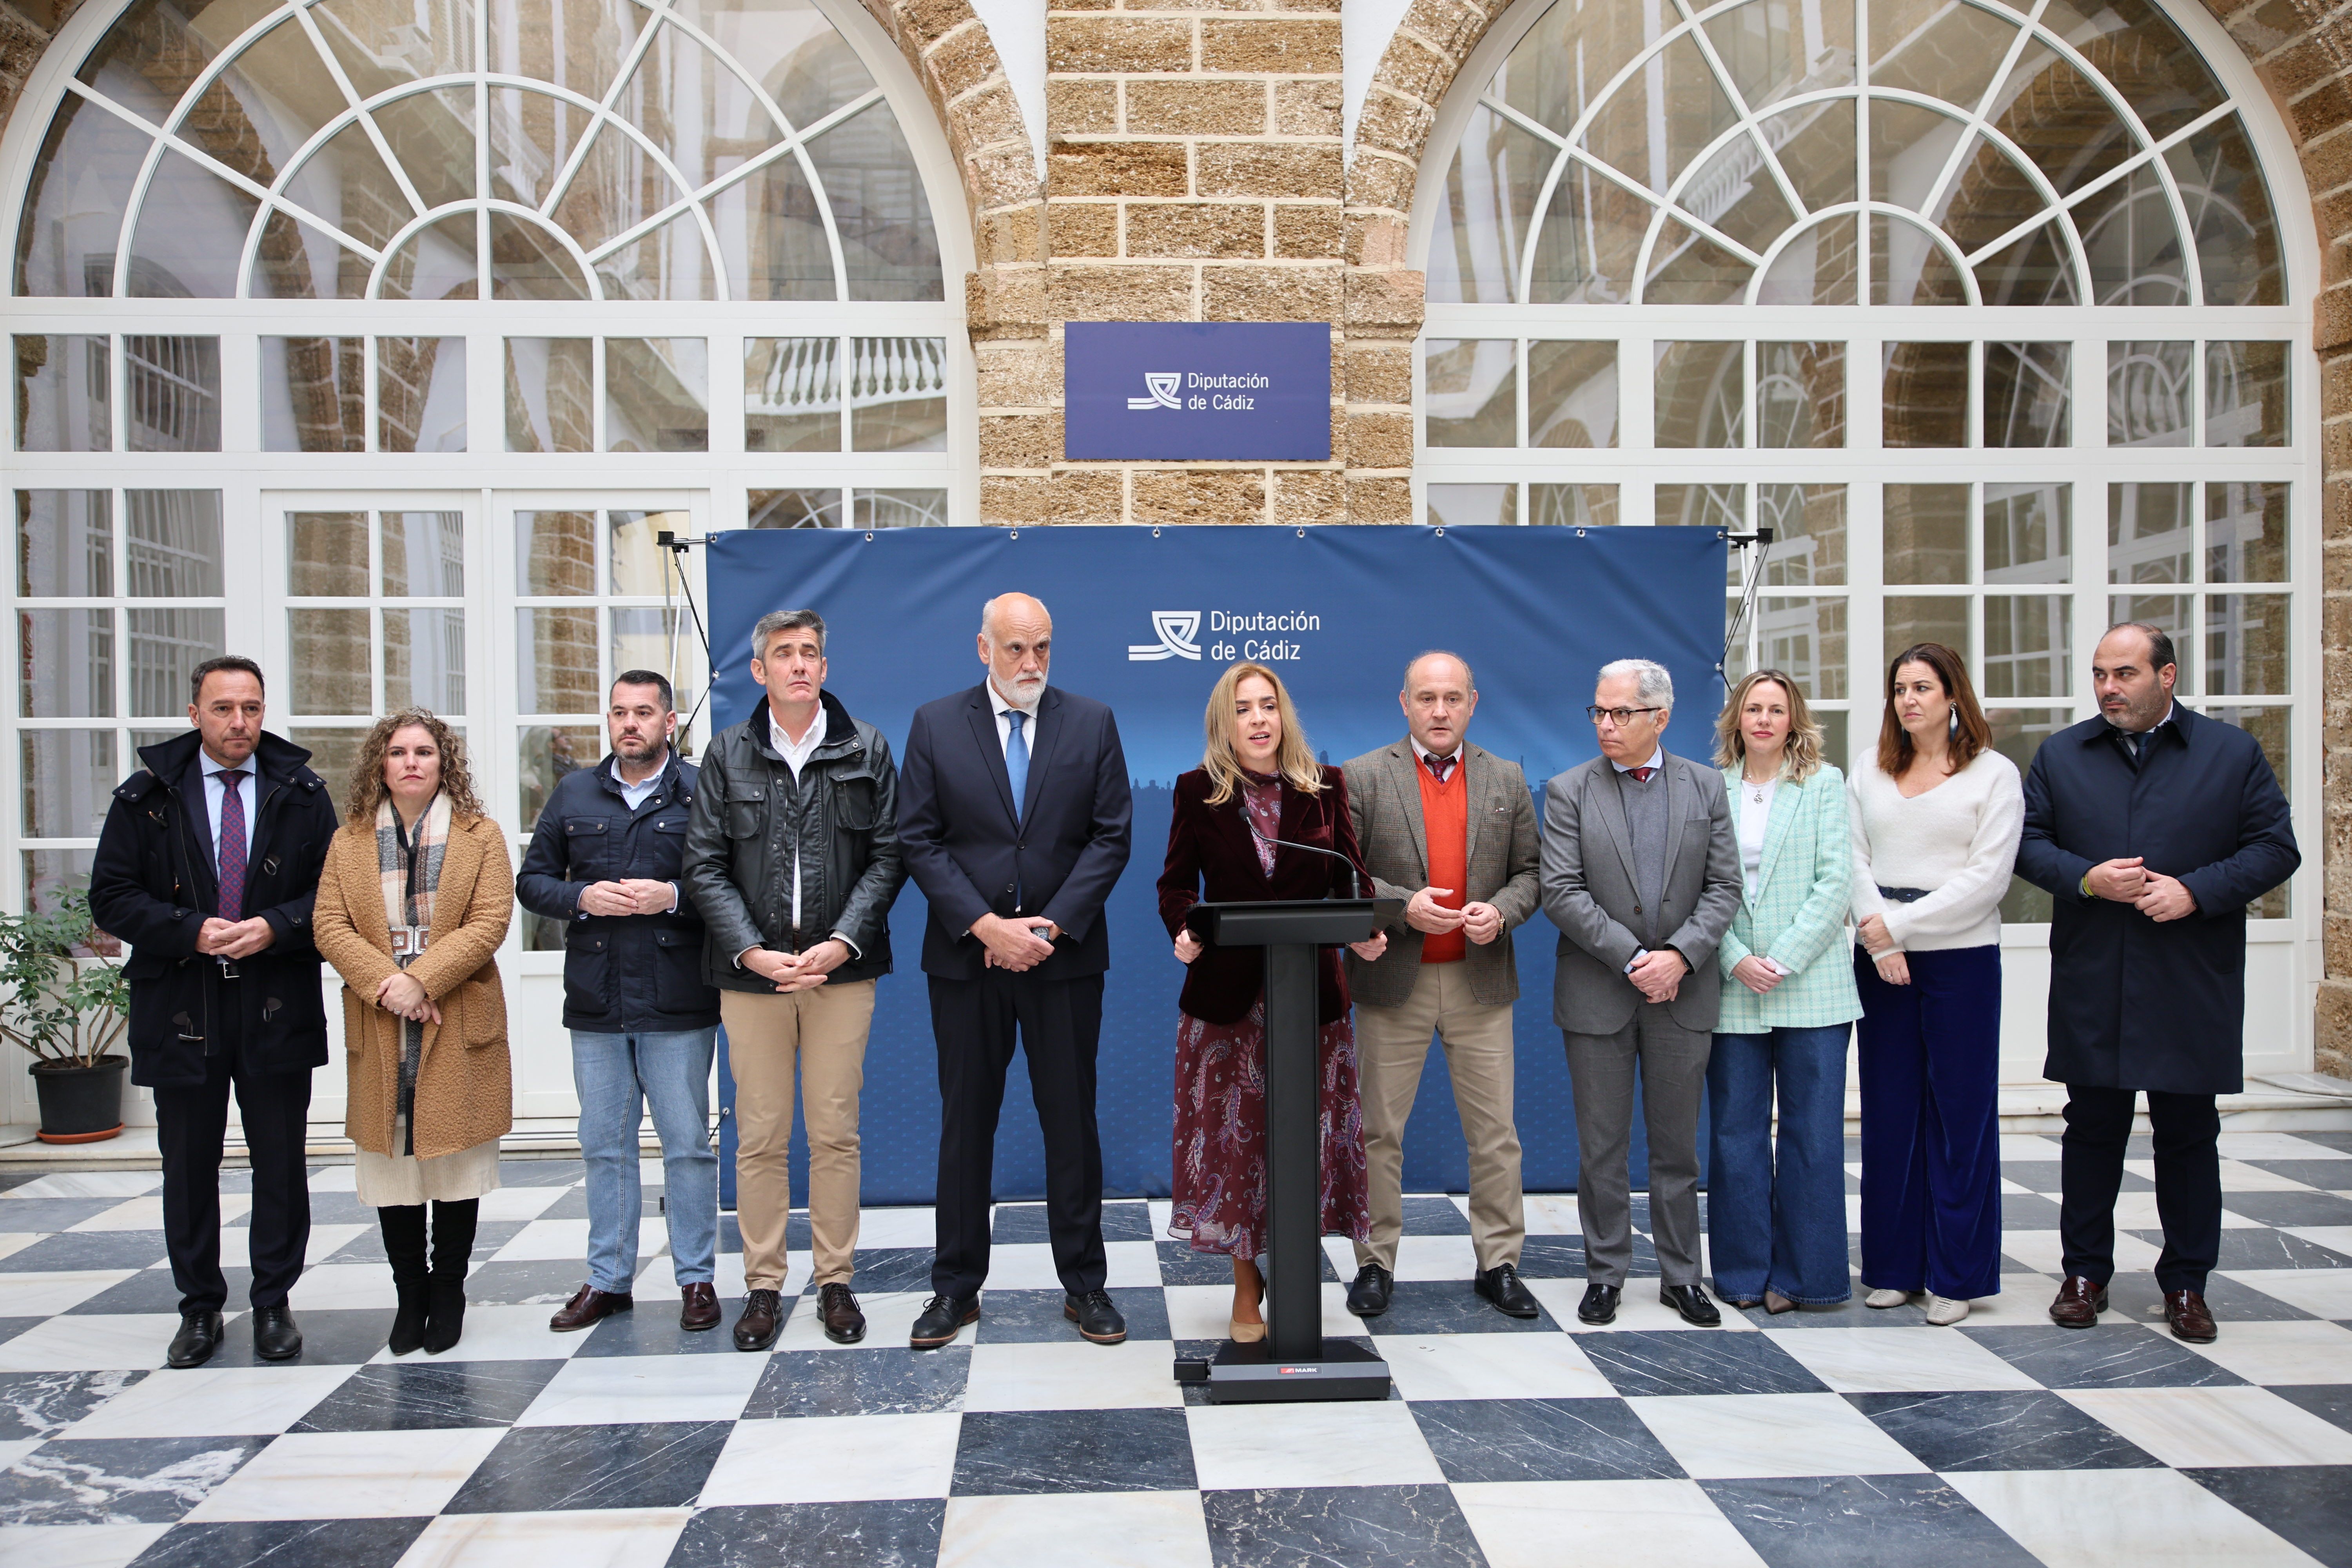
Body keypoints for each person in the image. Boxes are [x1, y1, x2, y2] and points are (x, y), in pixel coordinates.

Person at [2016, 623, 2298, 1343]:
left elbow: (2276, 848)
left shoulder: (2230, 754)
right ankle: (2084, 1275)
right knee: (2091, 1132)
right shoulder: (2062, 754)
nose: (2109, 688)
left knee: (2187, 1135)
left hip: (2187, 978)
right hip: (2096, 974)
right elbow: (2025, 846)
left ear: (2166, 677)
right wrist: (2087, 878)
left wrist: (2196, 892)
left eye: (2125, 674)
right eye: (2101, 675)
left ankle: (2187, 1285)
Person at [897, 592, 1134, 1349]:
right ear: (983, 649)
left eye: (1042, 649)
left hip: (1063, 962)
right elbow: (920, 840)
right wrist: (987, 926)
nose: (1030, 664)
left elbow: (1111, 837)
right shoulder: (936, 724)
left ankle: (1086, 1287)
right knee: (966, 1126)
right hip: (969, 962)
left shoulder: (1092, 722)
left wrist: (1051, 927)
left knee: (1072, 1122)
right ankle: (954, 1290)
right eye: (1015, 650)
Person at [89, 657, 339, 1368]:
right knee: (189, 1165)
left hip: (275, 1002)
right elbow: (111, 895)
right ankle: (198, 1308)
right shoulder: (146, 798)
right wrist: (190, 929)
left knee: (282, 1163)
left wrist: (275, 928)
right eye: (224, 708)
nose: (240, 722)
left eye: (252, 708)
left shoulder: (301, 792)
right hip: (181, 1005)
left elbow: (333, 893)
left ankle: (272, 1303)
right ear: (194, 713)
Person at [680, 610, 905, 1351]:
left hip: (842, 974)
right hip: (755, 981)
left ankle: (835, 1280)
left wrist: (843, 942)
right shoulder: (727, 753)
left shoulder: (866, 747)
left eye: (811, 653)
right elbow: (704, 865)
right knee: (762, 1136)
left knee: (836, 1132)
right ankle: (763, 1286)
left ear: (825, 668)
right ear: (760, 671)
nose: (800, 665)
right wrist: (750, 950)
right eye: (785, 654)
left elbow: (890, 856)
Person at [1160, 663, 1384, 1341]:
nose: (1258, 720)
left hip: (1308, 999)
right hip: (1228, 1006)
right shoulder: (1197, 791)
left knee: (1302, 1143)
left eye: (1268, 707)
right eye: (1243, 710)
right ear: (1223, 724)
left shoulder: (1325, 787)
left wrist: (1365, 929)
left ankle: (1292, 1266)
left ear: (1283, 716)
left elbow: (1351, 876)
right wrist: (1183, 930)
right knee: (1238, 1150)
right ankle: (1245, 1285)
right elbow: (1175, 885)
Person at [517, 671, 723, 1337]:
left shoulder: (699, 791)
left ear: (669, 722)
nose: (629, 724)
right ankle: (608, 1280)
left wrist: (674, 896)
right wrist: (580, 898)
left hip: (678, 999)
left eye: (643, 712)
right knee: (604, 1146)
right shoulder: (575, 791)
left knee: (688, 1145)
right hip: (597, 1000)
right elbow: (532, 882)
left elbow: (732, 880)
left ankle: (696, 1280)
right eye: (618, 713)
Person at [1339, 651, 1541, 1321]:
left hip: (1479, 982)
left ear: (1473, 704)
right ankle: (1375, 1263)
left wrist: (1503, 912)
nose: (1440, 711)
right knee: (1378, 1133)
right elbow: (1346, 876)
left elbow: (1532, 874)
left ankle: (1500, 1263)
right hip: (1393, 983)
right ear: (1405, 704)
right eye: (1427, 698)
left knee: (1495, 1134)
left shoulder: (1507, 779)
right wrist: (1402, 907)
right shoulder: (1365, 777)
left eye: (1453, 698)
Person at [1540, 659, 1741, 1327]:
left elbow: (1724, 888)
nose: (1605, 724)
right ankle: (1606, 1273)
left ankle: (1683, 1276)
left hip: (1682, 993)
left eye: (1620, 713)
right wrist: (1635, 959)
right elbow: (1561, 892)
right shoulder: (1570, 790)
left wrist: (1679, 956)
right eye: (1598, 711)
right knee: (1601, 1147)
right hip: (1600, 991)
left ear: (1660, 717)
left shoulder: (1706, 787)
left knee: (1677, 1147)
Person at [312, 711, 514, 1356]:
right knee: (391, 1163)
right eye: (397, 752)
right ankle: (411, 1295)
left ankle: (448, 1291)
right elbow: (329, 924)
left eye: (424, 751)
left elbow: (489, 922)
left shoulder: (481, 836)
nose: (410, 762)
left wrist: (422, 981)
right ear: (380, 763)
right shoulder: (348, 841)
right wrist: (388, 985)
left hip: (455, 1011)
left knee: (454, 1162)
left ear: (443, 762)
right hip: (379, 1018)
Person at [1849, 642, 2023, 1326]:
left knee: (1960, 1116)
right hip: (1879, 951)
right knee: (1890, 1112)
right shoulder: (1870, 767)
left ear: (1954, 696)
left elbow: (1988, 879)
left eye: (1923, 687)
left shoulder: (1995, 775)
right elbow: (1853, 854)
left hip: (1960, 957)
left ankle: (1956, 1274)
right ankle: (1895, 1267)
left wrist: (1901, 929)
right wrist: (1877, 931)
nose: (1909, 700)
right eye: (1899, 689)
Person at [1706, 670, 1864, 1314]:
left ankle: (1807, 1278)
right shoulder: (1710, 788)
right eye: (1753, 708)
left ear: (1794, 718)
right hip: (1732, 985)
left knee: (1814, 1137)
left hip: (1814, 987)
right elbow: (1694, 886)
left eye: (1776, 709)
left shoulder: (1825, 785)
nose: (1764, 719)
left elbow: (1837, 883)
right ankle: (1743, 1275)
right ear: (1737, 720)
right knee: (1735, 1135)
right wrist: (1738, 958)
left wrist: (1783, 959)